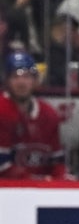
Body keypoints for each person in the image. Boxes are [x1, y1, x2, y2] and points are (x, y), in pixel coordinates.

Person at [0, 50, 67, 179]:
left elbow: (57, 161)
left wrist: (60, 178)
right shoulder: (1, 110)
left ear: (35, 80)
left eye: (26, 76)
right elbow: (2, 166)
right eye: (15, 77)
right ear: (6, 81)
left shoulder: (48, 114)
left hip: (41, 187)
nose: (21, 82)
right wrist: (36, 180)